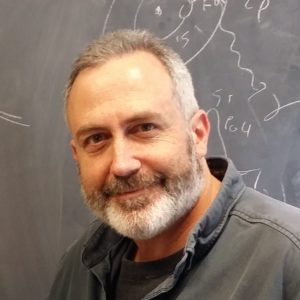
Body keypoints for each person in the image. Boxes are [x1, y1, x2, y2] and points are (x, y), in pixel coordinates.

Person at [47, 29, 300, 300]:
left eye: (144, 128)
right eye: (97, 138)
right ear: (77, 155)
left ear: (198, 134)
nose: (122, 164)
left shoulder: (288, 261)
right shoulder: (79, 268)